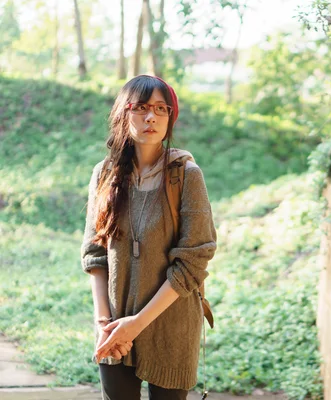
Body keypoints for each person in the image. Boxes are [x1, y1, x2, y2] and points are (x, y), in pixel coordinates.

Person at [80, 74, 217, 400]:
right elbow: (95, 254)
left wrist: (137, 324)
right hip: (114, 327)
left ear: (170, 118)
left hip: (172, 327)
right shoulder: (104, 175)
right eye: (140, 108)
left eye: (161, 109)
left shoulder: (186, 176)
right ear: (123, 115)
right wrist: (104, 323)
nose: (151, 117)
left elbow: (192, 264)